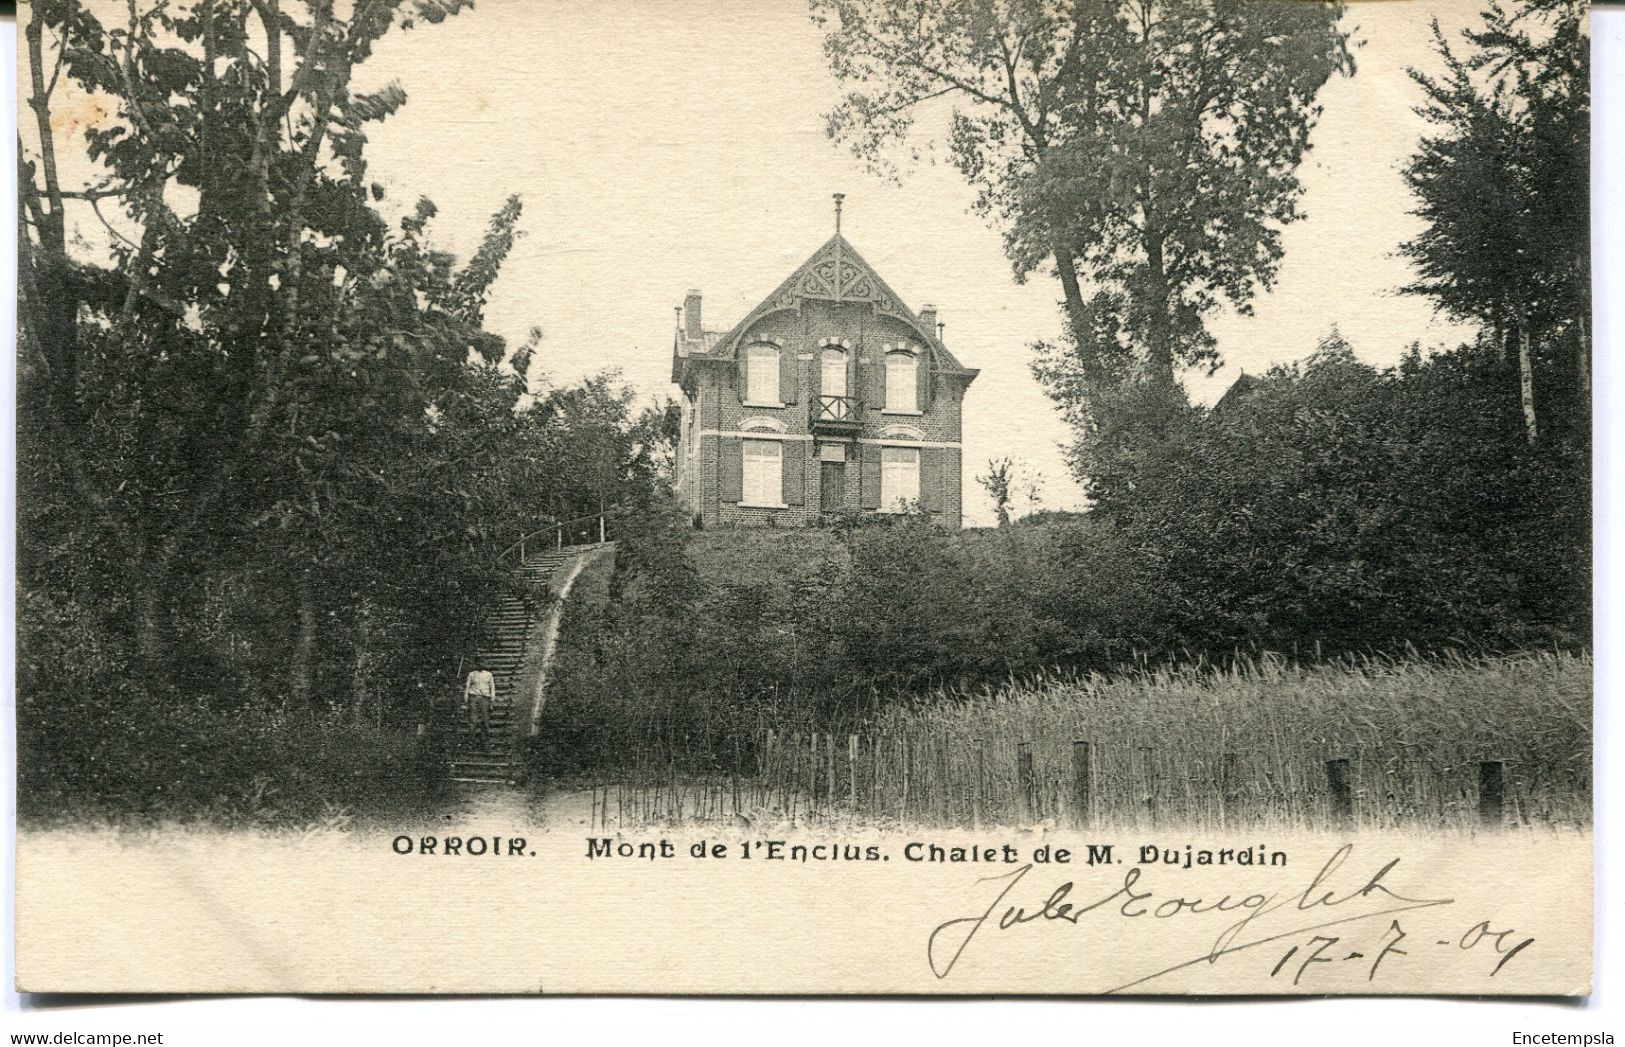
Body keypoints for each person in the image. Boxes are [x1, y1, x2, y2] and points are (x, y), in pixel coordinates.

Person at [463, 659, 496, 748]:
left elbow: (492, 688)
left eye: (482, 663)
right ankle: (471, 741)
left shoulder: (489, 674)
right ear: (476, 664)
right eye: (478, 663)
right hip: (473, 697)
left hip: (485, 698)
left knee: (485, 720)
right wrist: (466, 700)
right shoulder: (471, 674)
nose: (480, 665)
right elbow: (467, 687)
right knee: (473, 720)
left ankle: (485, 742)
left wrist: (492, 700)